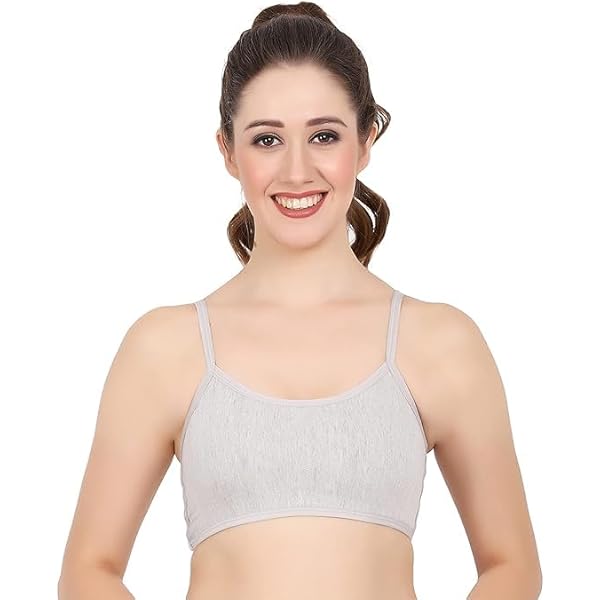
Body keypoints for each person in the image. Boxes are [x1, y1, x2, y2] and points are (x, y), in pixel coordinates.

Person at [57, 3, 542, 599]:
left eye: (323, 136)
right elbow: (89, 570)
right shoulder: (163, 348)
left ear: (365, 141)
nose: (296, 170)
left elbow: (511, 565)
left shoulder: (441, 344)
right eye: (267, 139)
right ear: (227, 150)